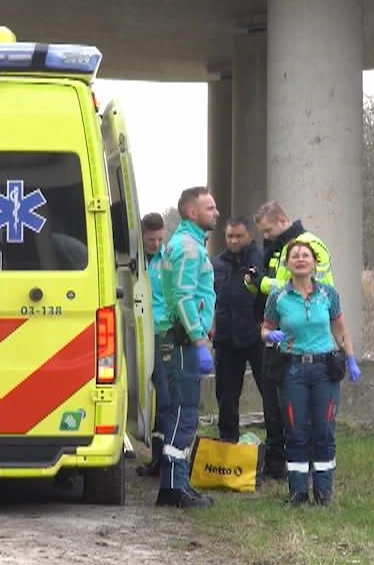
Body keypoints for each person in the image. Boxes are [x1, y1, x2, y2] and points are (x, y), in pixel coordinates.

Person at [261, 238, 361, 506]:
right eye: (295, 256)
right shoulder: (278, 296)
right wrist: (272, 336)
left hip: (324, 370)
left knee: (324, 431)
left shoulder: (329, 294)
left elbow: (341, 329)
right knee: (295, 431)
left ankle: (324, 492)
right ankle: (298, 492)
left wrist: (350, 359)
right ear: (287, 264)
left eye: (306, 255)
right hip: (292, 369)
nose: (300, 259)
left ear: (314, 263)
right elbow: (265, 330)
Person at [152, 188, 218, 508]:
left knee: (182, 411)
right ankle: (174, 489)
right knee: (184, 412)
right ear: (193, 212)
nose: (216, 212)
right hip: (182, 339)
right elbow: (183, 298)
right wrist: (200, 340)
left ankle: (175, 485)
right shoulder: (188, 248)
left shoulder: (185, 244)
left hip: (182, 337)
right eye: (210, 207)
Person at [211, 216, 284, 475]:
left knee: (271, 393)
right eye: (229, 236)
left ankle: (278, 452)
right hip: (227, 338)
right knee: (227, 395)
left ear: (249, 236)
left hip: (257, 337)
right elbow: (210, 297)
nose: (233, 241)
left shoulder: (262, 261)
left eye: (238, 236)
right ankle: (227, 445)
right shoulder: (217, 264)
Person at [135, 212, 171, 479]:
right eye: (151, 240)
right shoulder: (132, 260)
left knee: (165, 397)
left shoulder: (168, 260)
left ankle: (161, 459)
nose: (156, 245)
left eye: (160, 239)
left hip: (161, 333)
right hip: (136, 332)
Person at [253, 201, 334, 298]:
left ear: (282, 220)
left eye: (268, 230)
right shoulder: (277, 246)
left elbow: (306, 289)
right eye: (263, 232)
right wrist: (254, 280)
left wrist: (263, 282)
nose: (265, 236)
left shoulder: (311, 244)